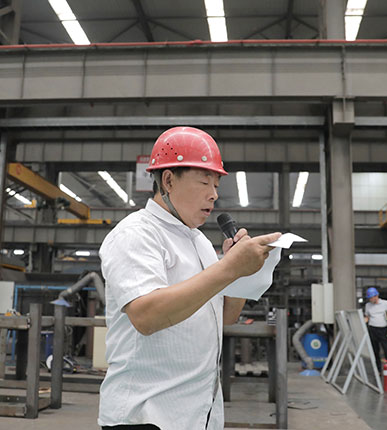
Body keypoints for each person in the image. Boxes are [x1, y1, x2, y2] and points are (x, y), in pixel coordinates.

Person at [97, 126, 281, 430]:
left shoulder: (199, 242)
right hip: (145, 416)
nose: (214, 194)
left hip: (196, 416)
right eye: (204, 181)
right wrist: (229, 268)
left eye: (216, 184)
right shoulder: (136, 234)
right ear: (168, 180)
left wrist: (242, 272)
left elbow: (225, 317)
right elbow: (146, 316)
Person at [363, 287, 387, 378]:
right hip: (372, 330)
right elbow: (367, 317)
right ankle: (378, 370)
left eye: (372, 298)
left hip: (383, 330)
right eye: (369, 298)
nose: (370, 299)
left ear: (376, 296)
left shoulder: (385, 303)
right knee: (375, 351)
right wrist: (361, 322)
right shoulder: (368, 305)